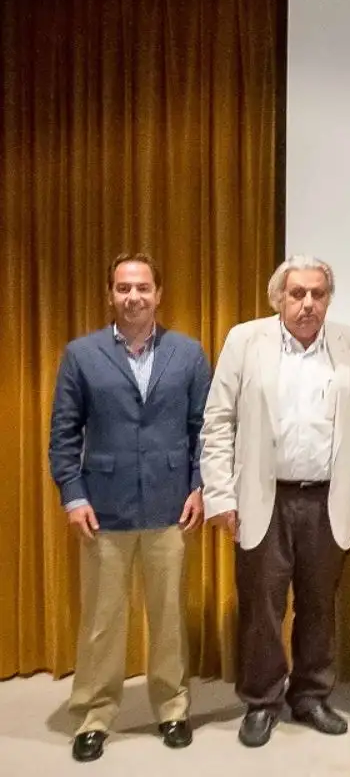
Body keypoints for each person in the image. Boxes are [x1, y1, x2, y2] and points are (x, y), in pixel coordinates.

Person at [200, 255, 350, 747]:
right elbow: (218, 421)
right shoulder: (245, 341)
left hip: (327, 499)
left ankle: (311, 695)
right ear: (278, 297)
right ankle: (261, 701)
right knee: (262, 606)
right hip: (264, 498)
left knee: (319, 605)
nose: (307, 304)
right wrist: (220, 494)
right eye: (297, 293)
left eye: (318, 294)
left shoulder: (349, 344)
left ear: (329, 299)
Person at [48, 253, 210, 762]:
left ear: (159, 294)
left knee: (168, 618)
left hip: (171, 505)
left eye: (142, 288)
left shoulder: (188, 353)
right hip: (104, 508)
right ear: (110, 294)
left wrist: (200, 486)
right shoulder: (81, 354)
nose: (133, 297)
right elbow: (63, 433)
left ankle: (172, 709)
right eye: (123, 288)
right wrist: (73, 495)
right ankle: (94, 715)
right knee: (103, 621)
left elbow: (204, 430)